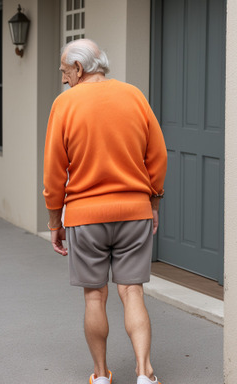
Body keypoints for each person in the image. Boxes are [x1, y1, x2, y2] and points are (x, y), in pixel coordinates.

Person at [43, 38, 167, 384]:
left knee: (95, 296)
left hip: (85, 217)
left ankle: (100, 375)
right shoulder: (134, 96)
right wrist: (153, 202)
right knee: (133, 292)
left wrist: (56, 220)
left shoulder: (64, 104)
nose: (64, 79)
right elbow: (157, 156)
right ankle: (144, 373)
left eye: (65, 72)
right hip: (134, 211)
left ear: (79, 69)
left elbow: (54, 172)